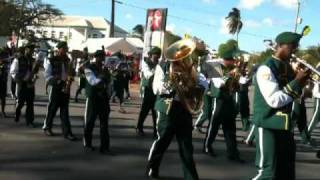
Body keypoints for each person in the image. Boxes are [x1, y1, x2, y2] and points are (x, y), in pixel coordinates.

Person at [251, 32, 309, 179]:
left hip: (285, 126)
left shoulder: (288, 67)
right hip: (268, 124)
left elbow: (292, 97)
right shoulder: (266, 68)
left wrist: (303, 88)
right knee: (268, 172)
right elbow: (274, 100)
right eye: (293, 47)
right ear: (280, 46)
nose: (295, 50)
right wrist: (296, 82)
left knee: (286, 170)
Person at [146, 40, 207, 180]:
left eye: (184, 52)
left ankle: (191, 177)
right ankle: (152, 167)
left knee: (186, 147)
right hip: (168, 108)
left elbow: (201, 81)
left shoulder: (189, 67)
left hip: (184, 109)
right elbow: (156, 87)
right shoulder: (164, 66)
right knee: (162, 142)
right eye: (179, 52)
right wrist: (173, 84)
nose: (181, 56)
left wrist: (200, 86)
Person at [203, 40, 245, 163]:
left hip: (229, 99)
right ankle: (207, 146)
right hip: (219, 99)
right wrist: (230, 75)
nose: (234, 63)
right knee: (214, 125)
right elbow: (219, 83)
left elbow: (242, 82)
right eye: (233, 60)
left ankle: (233, 153)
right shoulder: (214, 65)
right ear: (227, 59)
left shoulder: (232, 67)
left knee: (230, 128)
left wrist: (242, 75)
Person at [42, 41, 77, 141]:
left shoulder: (68, 60)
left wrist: (71, 76)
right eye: (64, 48)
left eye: (66, 48)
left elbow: (71, 72)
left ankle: (67, 132)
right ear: (59, 49)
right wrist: (56, 81)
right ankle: (47, 127)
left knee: (65, 112)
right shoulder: (51, 60)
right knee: (52, 109)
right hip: (56, 87)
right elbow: (47, 75)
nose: (66, 50)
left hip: (66, 87)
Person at [83, 50, 111, 154]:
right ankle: (87, 143)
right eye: (100, 57)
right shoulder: (89, 68)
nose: (102, 59)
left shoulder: (105, 69)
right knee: (90, 122)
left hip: (103, 98)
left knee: (104, 124)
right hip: (93, 98)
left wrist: (107, 75)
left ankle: (104, 146)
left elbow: (108, 82)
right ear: (95, 57)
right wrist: (102, 75)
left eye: (103, 57)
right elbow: (92, 81)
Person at [10, 43, 41, 126]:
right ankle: (17, 112)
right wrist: (19, 81)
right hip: (22, 83)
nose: (31, 51)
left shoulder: (33, 60)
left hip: (30, 84)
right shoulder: (18, 59)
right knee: (20, 102)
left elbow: (35, 71)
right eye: (30, 49)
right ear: (26, 49)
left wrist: (35, 71)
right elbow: (13, 72)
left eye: (32, 50)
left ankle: (30, 121)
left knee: (30, 103)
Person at [136, 47, 160, 137]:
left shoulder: (159, 64)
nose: (157, 57)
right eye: (156, 55)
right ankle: (139, 127)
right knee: (145, 110)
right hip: (148, 89)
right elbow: (148, 75)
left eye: (158, 55)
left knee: (155, 111)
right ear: (151, 55)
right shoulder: (146, 63)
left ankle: (156, 130)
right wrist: (158, 71)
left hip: (156, 90)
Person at [0, 48, 9, 117]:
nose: (5, 57)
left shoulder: (6, 64)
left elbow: (7, 71)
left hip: (3, 82)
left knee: (3, 98)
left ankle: (3, 111)